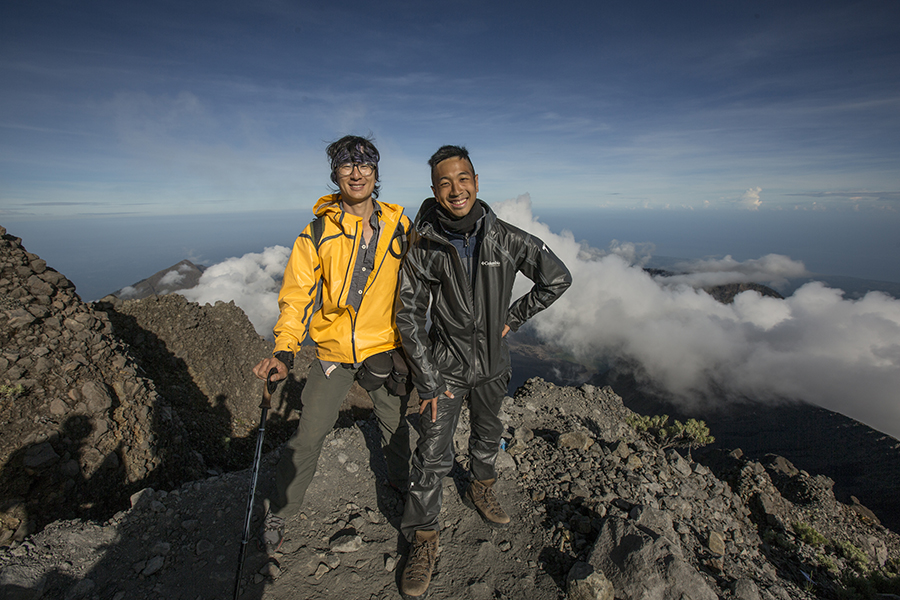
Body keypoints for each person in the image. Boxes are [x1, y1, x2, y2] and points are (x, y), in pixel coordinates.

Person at [395, 145, 572, 598]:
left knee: (489, 434)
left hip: (493, 366)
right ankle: (423, 539)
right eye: (445, 183)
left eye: (463, 178)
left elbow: (557, 277)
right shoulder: (424, 243)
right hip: (446, 369)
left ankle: (481, 485)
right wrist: (427, 378)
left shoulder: (507, 238)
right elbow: (410, 315)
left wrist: (515, 316)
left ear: (477, 180)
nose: (456, 189)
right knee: (432, 454)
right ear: (434, 191)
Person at [252, 135, 412, 553]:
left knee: (395, 428)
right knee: (309, 433)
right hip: (333, 351)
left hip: (384, 347)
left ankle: (400, 483)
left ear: (376, 175)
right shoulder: (317, 232)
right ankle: (282, 513)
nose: (356, 174)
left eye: (365, 167)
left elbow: (423, 278)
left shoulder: (400, 225)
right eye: (346, 166)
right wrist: (285, 350)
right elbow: (297, 296)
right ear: (335, 174)